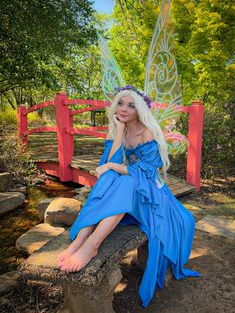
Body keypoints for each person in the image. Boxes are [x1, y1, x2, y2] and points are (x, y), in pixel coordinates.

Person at [56, 87, 200, 308]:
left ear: (140, 110)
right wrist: (119, 132)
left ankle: (93, 244)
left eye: (131, 105)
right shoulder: (118, 128)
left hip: (150, 193)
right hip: (129, 187)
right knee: (111, 176)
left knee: (125, 179)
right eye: (121, 103)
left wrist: (113, 165)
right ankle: (81, 240)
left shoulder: (147, 132)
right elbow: (107, 160)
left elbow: (146, 173)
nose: (124, 109)